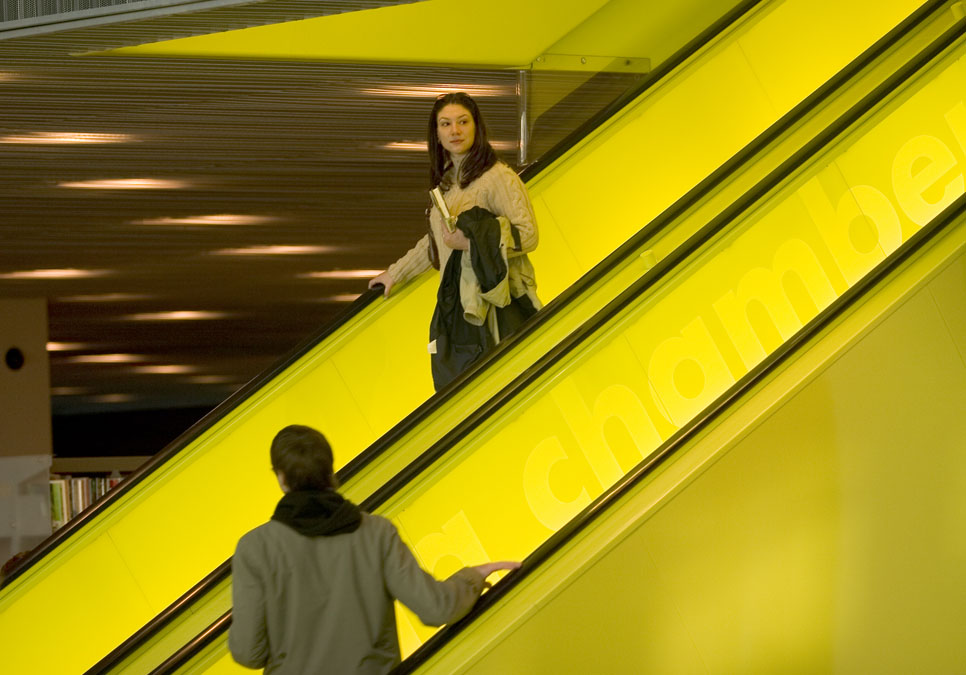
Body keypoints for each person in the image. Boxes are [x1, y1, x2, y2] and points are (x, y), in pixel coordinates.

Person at [229, 424, 519, 674]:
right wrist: (472, 577)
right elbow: (435, 608)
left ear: (281, 479)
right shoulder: (376, 533)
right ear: (330, 472)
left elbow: (247, 652)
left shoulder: (255, 549)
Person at [368, 92, 541, 390]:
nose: (455, 131)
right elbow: (438, 241)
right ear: (436, 133)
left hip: (497, 305)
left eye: (463, 122)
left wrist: (472, 243)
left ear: (477, 126)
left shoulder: (497, 176)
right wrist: (395, 273)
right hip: (462, 306)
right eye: (445, 124)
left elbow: (528, 234)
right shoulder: (447, 183)